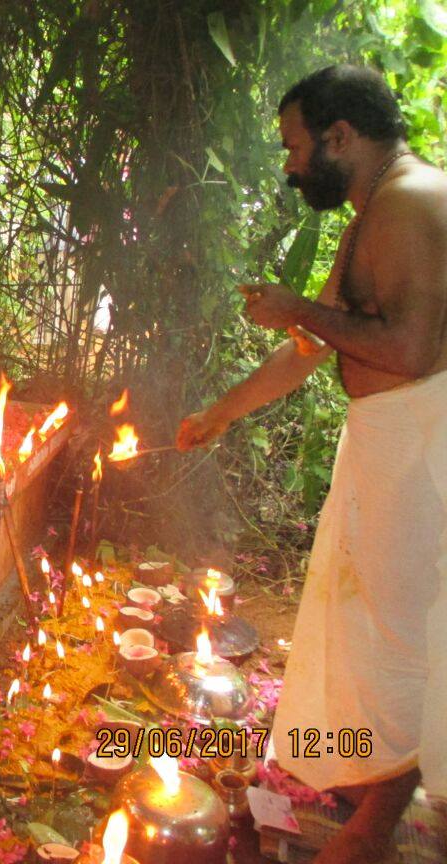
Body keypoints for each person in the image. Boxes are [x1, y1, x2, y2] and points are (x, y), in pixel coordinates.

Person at [177, 65, 447, 863]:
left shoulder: (411, 205)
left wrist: (297, 307)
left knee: (396, 633)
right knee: (369, 623)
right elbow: (312, 347)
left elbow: (408, 348)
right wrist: (221, 411)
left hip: (421, 449)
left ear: (341, 137)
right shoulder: (381, 205)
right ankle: (369, 782)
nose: (291, 166)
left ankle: (374, 826)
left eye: (296, 148)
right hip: (389, 444)